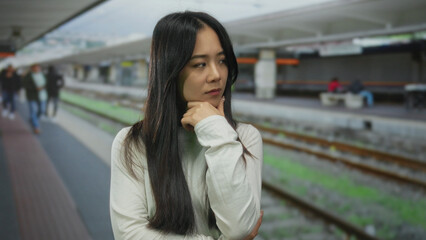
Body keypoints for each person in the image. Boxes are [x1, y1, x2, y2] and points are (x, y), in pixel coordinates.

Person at [110, 11, 263, 240]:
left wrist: (216, 130)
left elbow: (239, 227)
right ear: (170, 70)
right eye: (200, 64)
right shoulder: (132, 143)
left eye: (221, 61)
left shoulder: (245, 138)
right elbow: (129, 235)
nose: (216, 75)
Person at [23, 63, 47, 134]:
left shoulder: (43, 75)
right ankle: (36, 126)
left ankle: (34, 119)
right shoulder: (28, 76)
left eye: (38, 67)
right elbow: (25, 85)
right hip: (32, 96)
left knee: (42, 110)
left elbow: (46, 84)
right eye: (35, 67)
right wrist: (36, 88)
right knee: (33, 110)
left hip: (42, 96)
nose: (37, 68)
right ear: (32, 68)